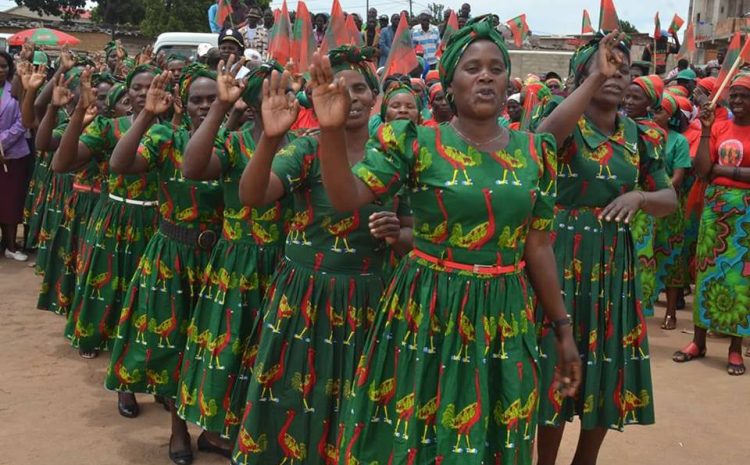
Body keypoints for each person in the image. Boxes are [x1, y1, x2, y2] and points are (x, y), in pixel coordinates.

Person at [311, 16, 580, 465]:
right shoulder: (417, 142)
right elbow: (344, 197)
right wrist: (330, 130)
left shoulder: (536, 153)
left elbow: (538, 247)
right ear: (450, 81)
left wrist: (563, 330)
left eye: (496, 67)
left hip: (505, 313)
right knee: (417, 424)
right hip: (428, 306)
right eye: (473, 67)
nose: (486, 76)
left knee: (497, 423)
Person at [228, 46, 411, 465]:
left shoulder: (396, 152)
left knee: (361, 408)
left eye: (361, 88)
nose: (352, 98)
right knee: (293, 397)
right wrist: (272, 139)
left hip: (374, 301)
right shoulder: (307, 150)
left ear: (374, 97)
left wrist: (399, 234)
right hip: (305, 299)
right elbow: (252, 196)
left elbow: (416, 229)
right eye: (340, 89)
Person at [535, 32, 677, 465]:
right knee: (557, 366)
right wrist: (592, 81)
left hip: (614, 264)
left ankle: (586, 460)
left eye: (623, 67)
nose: (617, 74)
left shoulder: (641, 136)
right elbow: (542, 138)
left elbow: (667, 199)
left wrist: (640, 198)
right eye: (605, 66)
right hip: (560, 258)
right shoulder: (564, 125)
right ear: (584, 75)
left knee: (606, 364)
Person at [104, 65, 224, 465]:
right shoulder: (166, 137)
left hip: (220, 261)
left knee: (213, 349)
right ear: (183, 104)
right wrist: (146, 115)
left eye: (212, 98)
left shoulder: (233, 141)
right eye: (197, 100)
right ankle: (178, 431)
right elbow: (120, 165)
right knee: (174, 345)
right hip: (171, 254)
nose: (205, 106)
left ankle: (211, 431)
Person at [176, 60, 291, 457]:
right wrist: (221, 110)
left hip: (287, 267)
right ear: (257, 103)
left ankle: (259, 431)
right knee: (230, 348)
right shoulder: (236, 142)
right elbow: (192, 168)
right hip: (238, 262)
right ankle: (217, 432)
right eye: (277, 92)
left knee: (270, 356)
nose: (288, 99)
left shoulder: (306, 144)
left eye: (291, 92)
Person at [55, 65, 160, 408]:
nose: (144, 92)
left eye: (152, 86)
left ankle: (158, 379)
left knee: (152, 303)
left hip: (159, 225)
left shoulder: (179, 132)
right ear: (127, 94)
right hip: (117, 218)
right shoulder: (108, 127)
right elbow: (61, 162)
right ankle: (124, 384)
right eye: (138, 87)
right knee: (115, 297)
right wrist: (78, 117)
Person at [673, 72, 750, 376]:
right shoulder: (717, 127)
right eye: (735, 95)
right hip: (715, 209)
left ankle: (734, 348)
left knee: (741, 279)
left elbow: (718, 170)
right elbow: (703, 170)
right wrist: (705, 131)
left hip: (745, 216)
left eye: (744, 95)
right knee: (706, 272)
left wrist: (725, 170)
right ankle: (698, 341)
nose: (738, 100)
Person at [622, 74, 666, 316]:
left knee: (637, 257)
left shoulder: (653, 134)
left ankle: (636, 312)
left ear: (650, 103)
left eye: (635, 97)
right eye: (626, 95)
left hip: (640, 204)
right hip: (615, 200)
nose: (628, 101)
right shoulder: (617, 125)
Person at [651, 92, 694, 329]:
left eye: (659, 110)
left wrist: (652, 190)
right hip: (643, 209)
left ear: (670, 115)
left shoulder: (679, 141)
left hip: (667, 208)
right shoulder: (641, 135)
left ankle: (670, 312)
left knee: (671, 258)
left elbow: (678, 177)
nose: (653, 114)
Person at [0, 51, 31, 261]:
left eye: (3, 66)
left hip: (12, 155)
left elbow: (23, 120)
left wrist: (1, 143)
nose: (0, 70)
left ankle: (11, 245)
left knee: (10, 200)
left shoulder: (16, 90)